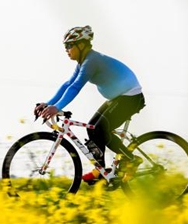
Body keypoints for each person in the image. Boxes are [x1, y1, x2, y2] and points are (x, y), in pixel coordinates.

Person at [35, 26, 146, 184]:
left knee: (101, 129)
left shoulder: (91, 61)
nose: (66, 50)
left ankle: (131, 159)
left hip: (130, 97)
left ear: (81, 45)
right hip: (118, 98)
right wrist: (49, 103)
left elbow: (75, 87)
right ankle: (100, 170)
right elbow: (68, 84)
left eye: (69, 45)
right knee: (92, 128)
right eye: (65, 46)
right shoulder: (83, 62)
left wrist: (57, 107)